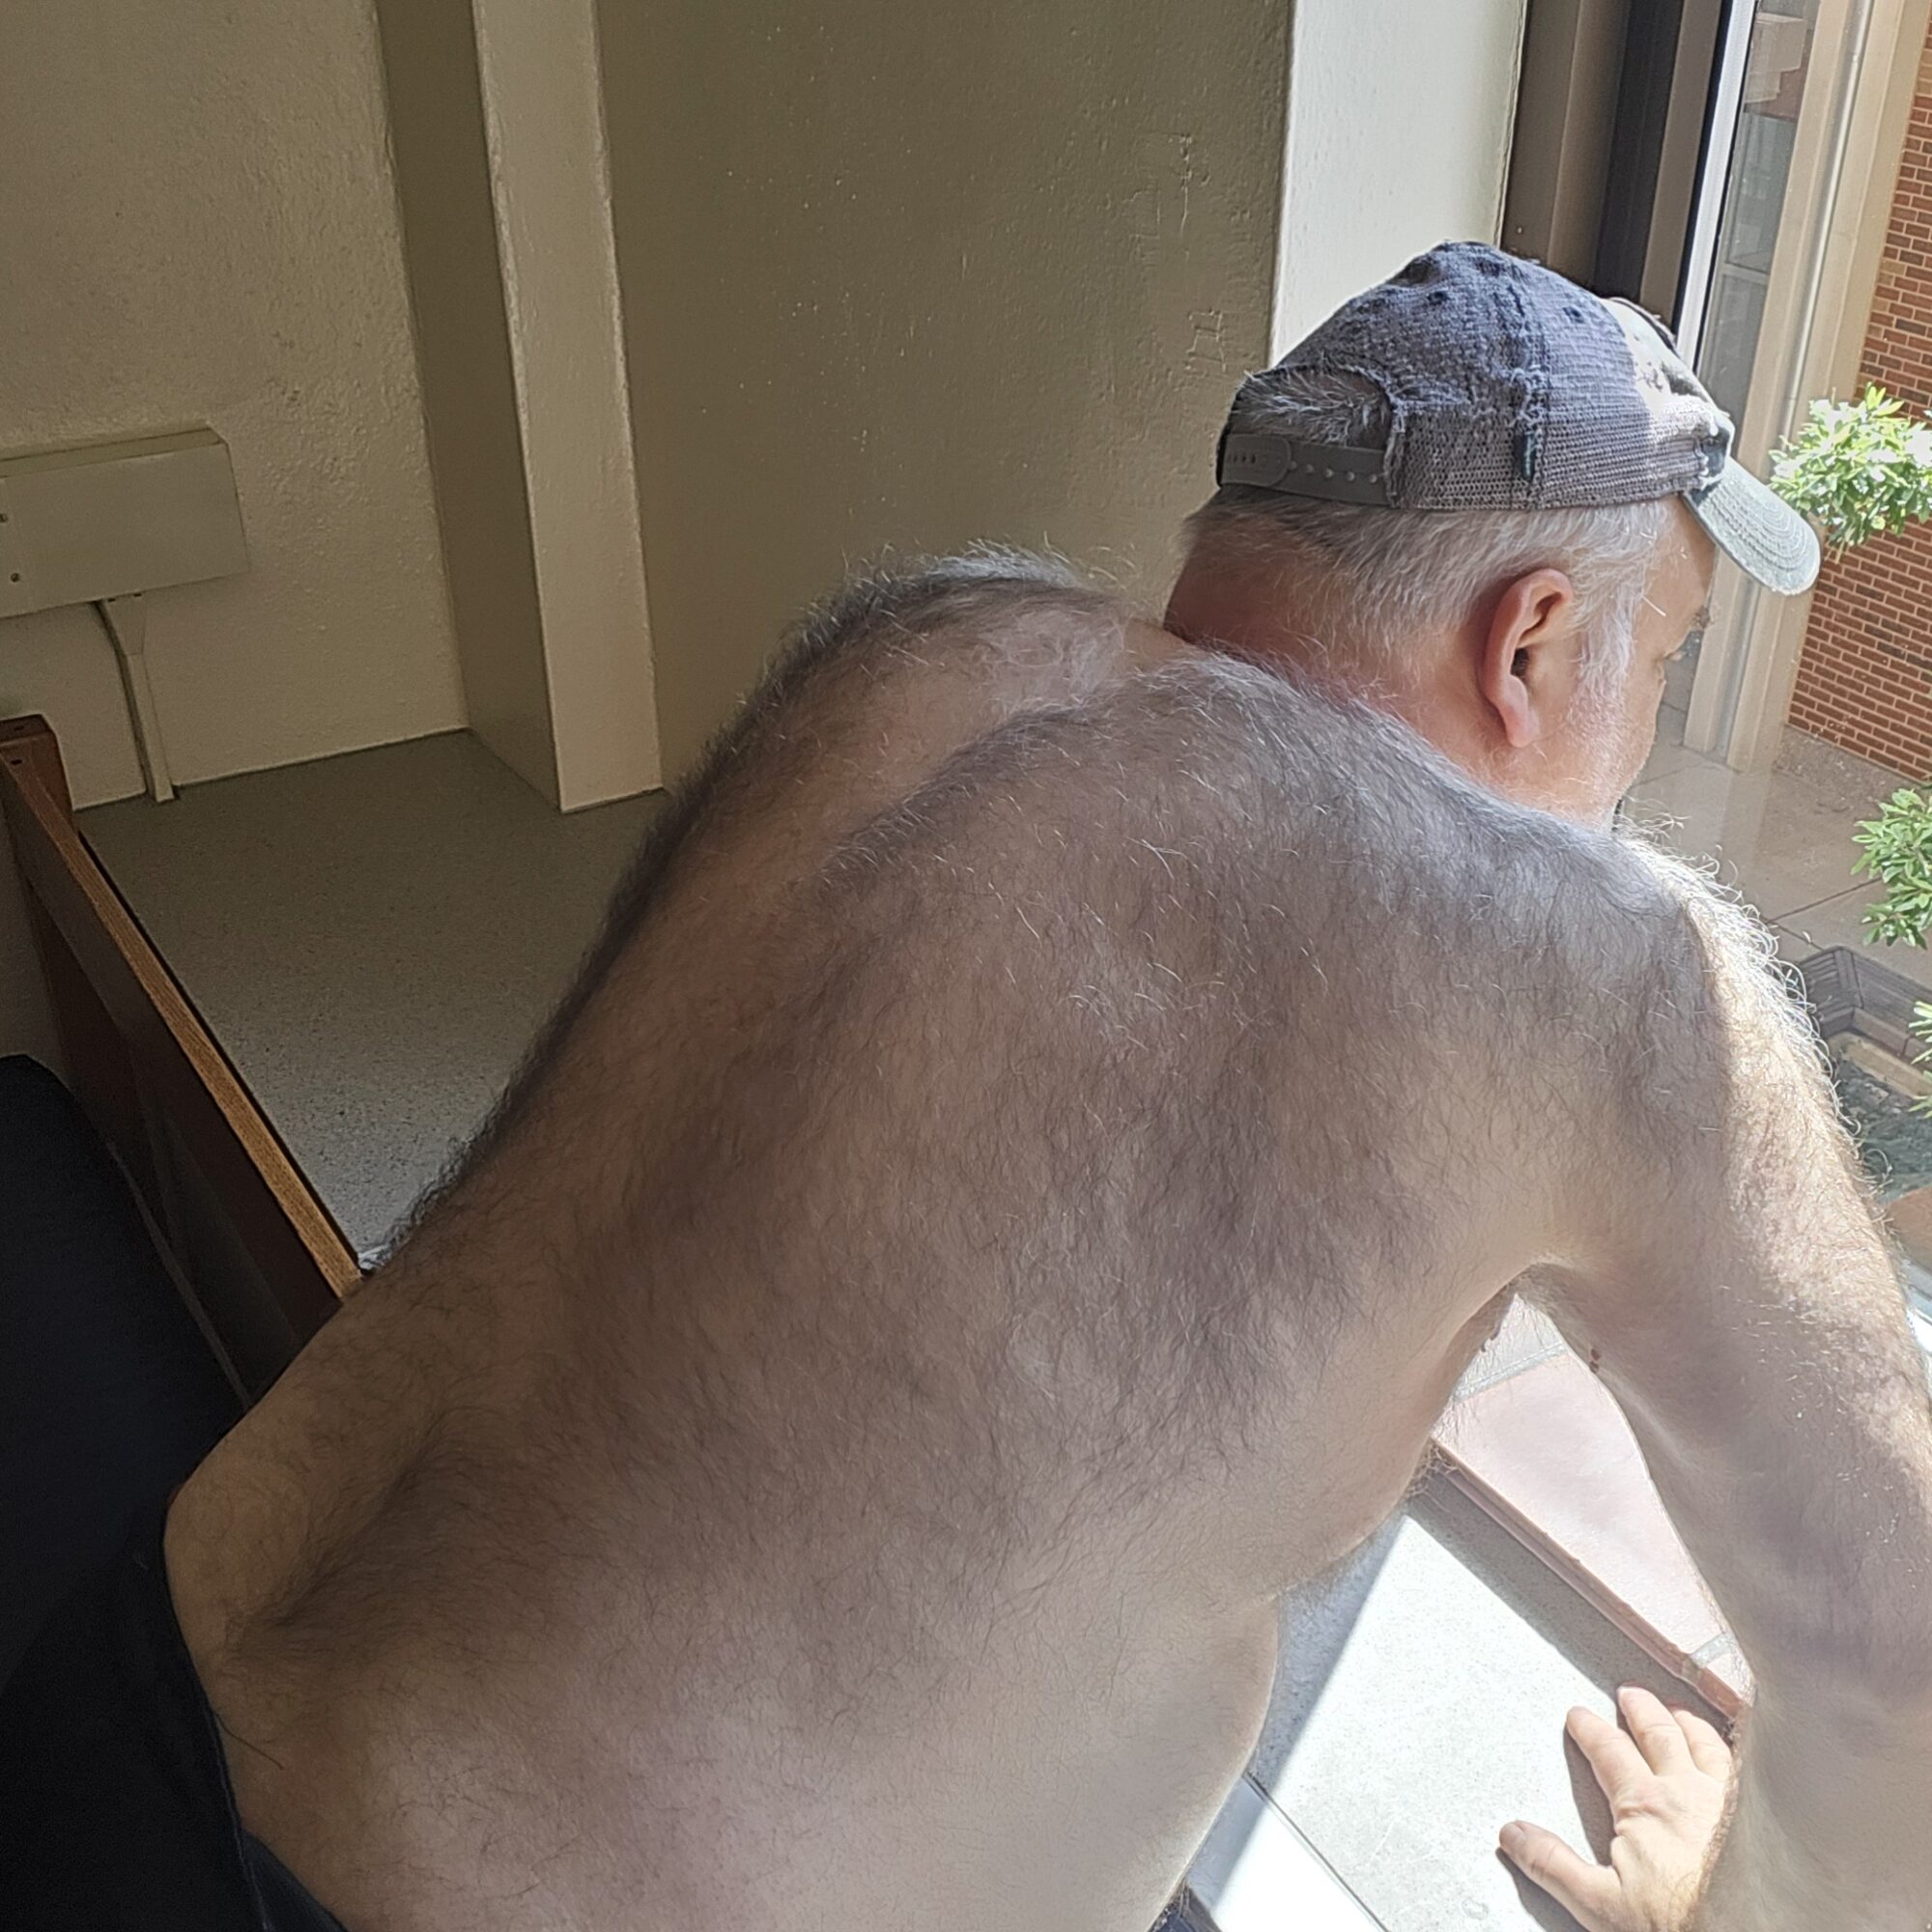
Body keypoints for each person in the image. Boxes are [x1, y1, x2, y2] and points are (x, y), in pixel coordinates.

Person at [7, 252, 1928, 1932]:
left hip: (101, 1723)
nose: (1639, 757)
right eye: (1658, 668)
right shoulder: (1600, 972)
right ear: (1530, 637)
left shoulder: (909, 652)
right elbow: (1901, 1685)